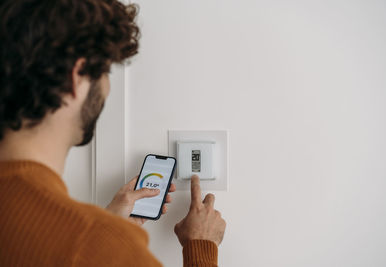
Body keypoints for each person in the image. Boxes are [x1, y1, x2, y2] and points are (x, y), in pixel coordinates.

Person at [0, 0, 226, 266]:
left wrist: (106, 226)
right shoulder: (98, 245)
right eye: (105, 72)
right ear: (77, 79)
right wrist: (201, 246)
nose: (107, 87)